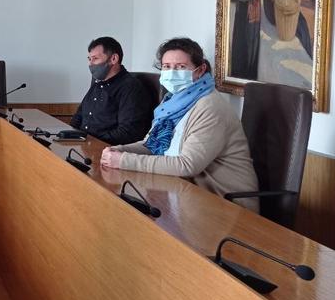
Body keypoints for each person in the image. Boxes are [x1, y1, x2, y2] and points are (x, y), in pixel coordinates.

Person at [99, 37, 259, 212]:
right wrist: (120, 150)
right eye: (167, 67)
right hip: (184, 191)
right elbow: (151, 145)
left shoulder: (210, 107)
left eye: (181, 67)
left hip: (224, 204)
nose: (172, 72)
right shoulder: (171, 104)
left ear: (200, 70)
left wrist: (123, 161)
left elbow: (187, 165)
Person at [69, 37, 153, 145]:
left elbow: (128, 132)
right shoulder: (97, 83)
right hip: (83, 145)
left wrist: (92, 142)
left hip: (106, 150)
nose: (91, 64)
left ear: (113, 59)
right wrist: (69, 135)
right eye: (89, 59)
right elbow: (79, 116)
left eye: (95, 58)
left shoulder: (131, 87)